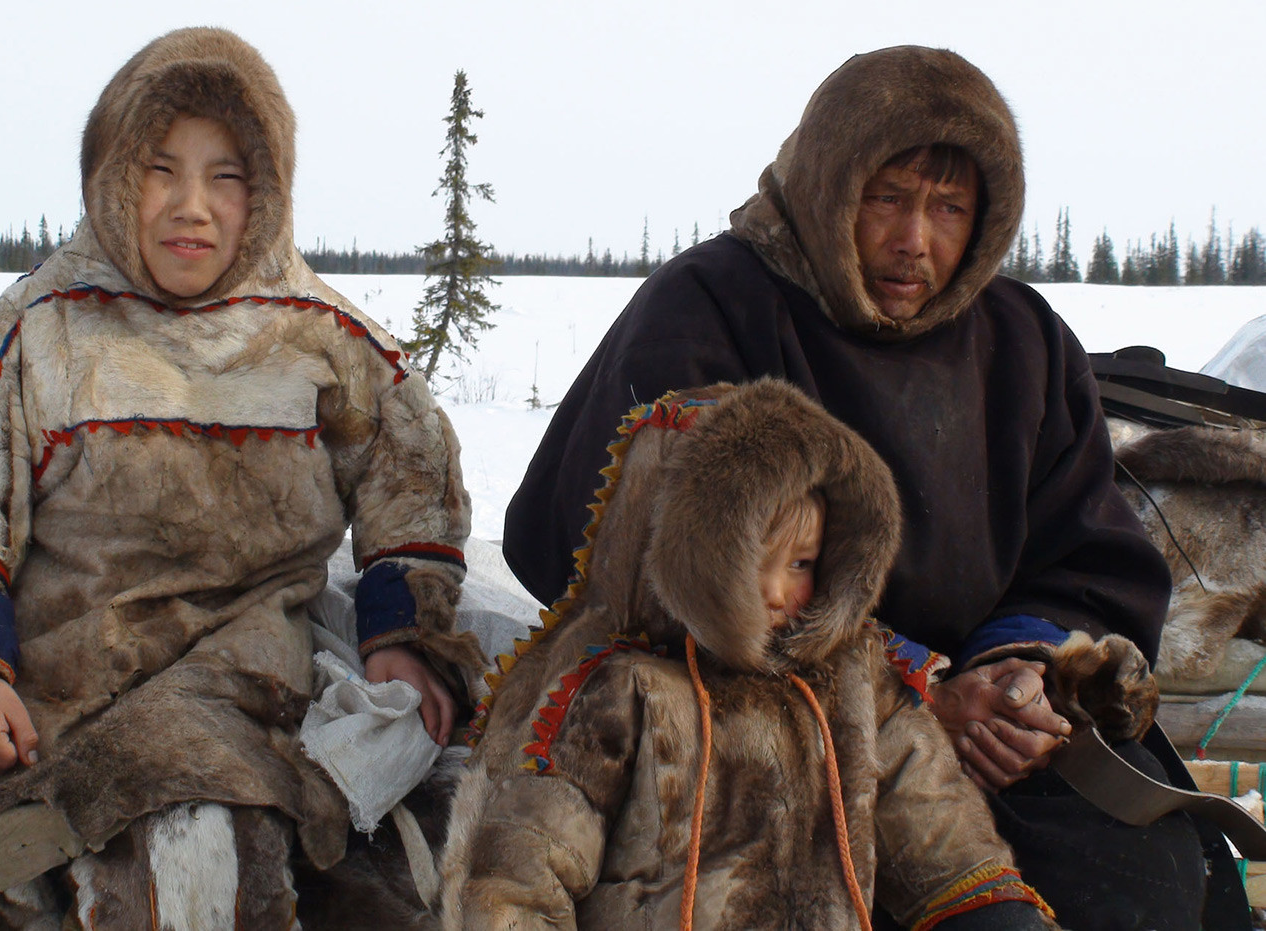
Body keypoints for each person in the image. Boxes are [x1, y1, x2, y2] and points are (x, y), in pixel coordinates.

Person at [503, 46, 1235, 929]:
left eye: (949, 208)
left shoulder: (1023, 342)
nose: (913, 241)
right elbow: (656, 568)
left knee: (1150, 880)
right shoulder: (711, 308)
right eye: (886, 198)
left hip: (989, 725)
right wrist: (914, 685)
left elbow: (1086, 552)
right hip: (767, 725)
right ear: (829, 182)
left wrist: (1023, 668)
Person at [0, 27, 481, 927]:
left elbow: (411, 477)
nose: (190, 206)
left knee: (200, 830)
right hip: (68, 661)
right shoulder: (36, 329)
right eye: (161, 169)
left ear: (267, 191)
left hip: (242, 658)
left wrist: (403, 629)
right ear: (113, 172)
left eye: (226, 176)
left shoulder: (321, 335)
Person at [442, 378, 1058, 929]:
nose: (774, 593)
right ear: (676, 555)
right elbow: (526, 870)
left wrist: (993, 912)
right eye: (745, 562)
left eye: (801, 565)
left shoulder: (854, 681)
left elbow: (933, 818)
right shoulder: (623, 692)